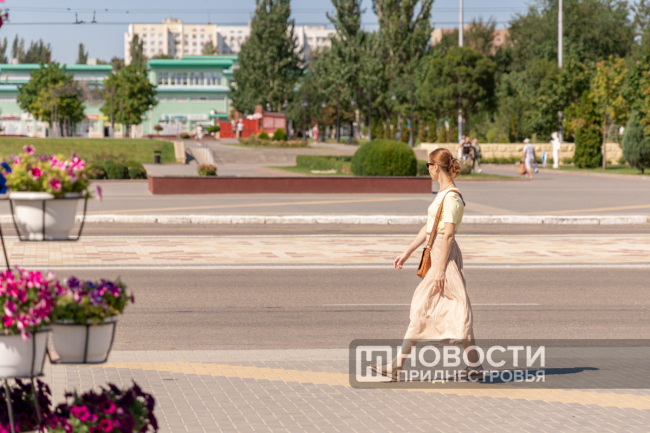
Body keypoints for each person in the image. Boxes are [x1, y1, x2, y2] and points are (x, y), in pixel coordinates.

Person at [370, 148, 482, 381]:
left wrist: (440, 269)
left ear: (436, 167)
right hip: (437, 252)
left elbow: (448, 234)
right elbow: (429, 227)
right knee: (451, 308)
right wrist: (407, 251)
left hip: (444, 256)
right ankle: (475, 367)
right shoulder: (442, 194)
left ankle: (396, 366)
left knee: (438, 307)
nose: (428, 170)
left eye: (428, 166)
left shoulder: (451, 197)